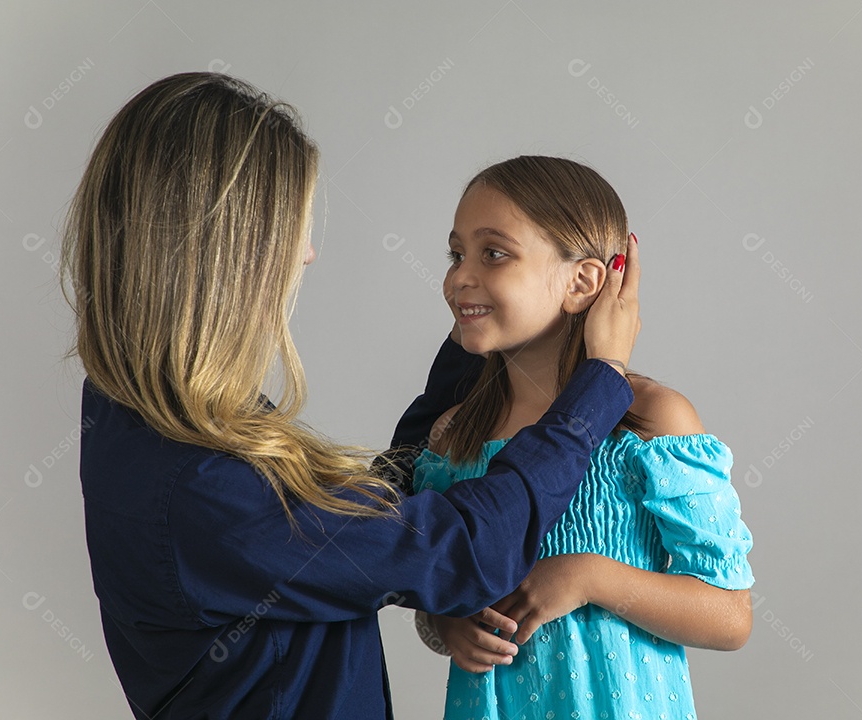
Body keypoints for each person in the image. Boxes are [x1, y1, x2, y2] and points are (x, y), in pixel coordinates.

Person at [60, 73, 640, 719]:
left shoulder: (141, 412)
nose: (306, 254)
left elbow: (360, 527)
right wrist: (601, 379)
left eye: (493, 253)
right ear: (225, 250)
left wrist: (475, 332)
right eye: (290, 230)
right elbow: (463, 554)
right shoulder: (203, 483)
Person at [411, 156, 754, 720]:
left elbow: (730, 617)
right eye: (456, 254)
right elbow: (431, 577)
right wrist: (447, 622)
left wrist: (588, 575)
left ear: (583, 281)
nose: (459, 277)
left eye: (493, 253)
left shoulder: (652, 422)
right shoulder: (454, 435)